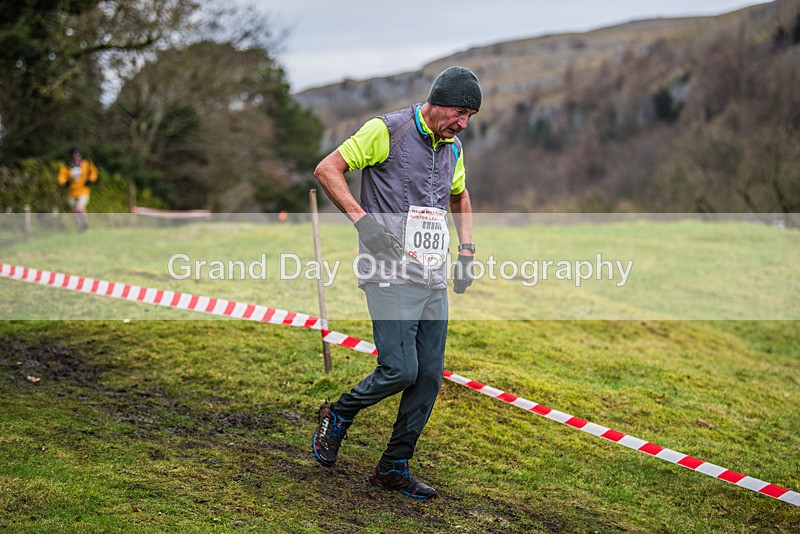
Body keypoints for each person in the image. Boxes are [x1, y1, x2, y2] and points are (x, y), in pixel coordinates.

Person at [312, 66, 481, 499]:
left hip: (432, 278)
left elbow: (459, 196)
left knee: (428, 378)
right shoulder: (386, 130)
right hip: (387, 272)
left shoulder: (453, 148)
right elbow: (328, 169)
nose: (463, 122)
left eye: (470, 116)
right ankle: (339, 414)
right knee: (400, 369)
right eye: (460, 112)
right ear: (439, 100)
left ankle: (394, 465)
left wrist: (466, 250)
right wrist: (364, 223)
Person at [57, 147, 98, 231]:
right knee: (75, 211)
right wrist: (64, 182)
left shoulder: (86, 163)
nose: (76, 156)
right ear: (71, 156)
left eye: (77, 154)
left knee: (79, 208)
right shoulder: (67, 166)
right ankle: (80, 226)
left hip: (83, 190)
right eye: (74, 155)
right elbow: (61, 176)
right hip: (71, 192)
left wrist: (91, 179)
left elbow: (94, 172)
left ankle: (85, 224)